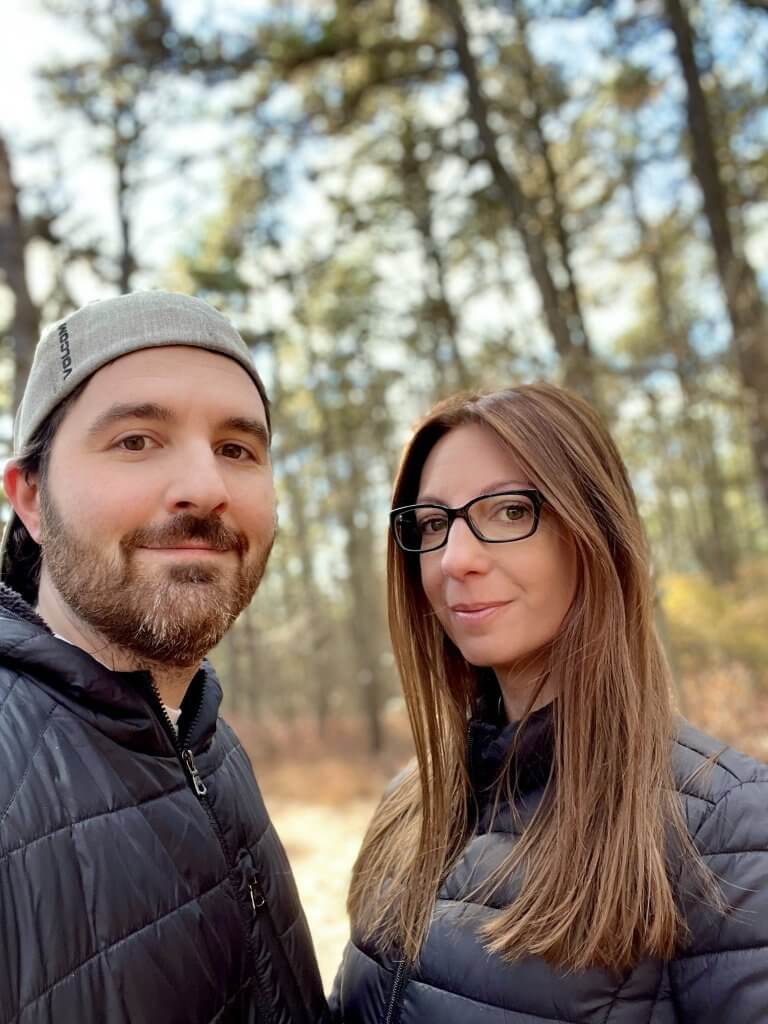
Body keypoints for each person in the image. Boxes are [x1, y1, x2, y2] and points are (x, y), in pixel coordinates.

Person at [332, 383, 768, 1023]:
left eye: (509, 512)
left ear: (595, 531)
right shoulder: (411, 800)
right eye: (432, 524)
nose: (455, 559)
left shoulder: (727, 829)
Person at [0, 291, 328, 1024]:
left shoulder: (207, 739)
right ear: (28, 498)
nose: (205, 489)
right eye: (137, 440)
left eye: (236, 450)